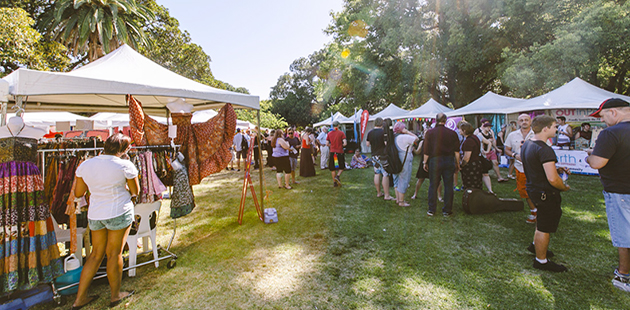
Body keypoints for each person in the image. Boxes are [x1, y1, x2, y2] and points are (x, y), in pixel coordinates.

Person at [71, 134, 140, 309]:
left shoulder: (86, 165)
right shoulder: (125, 165)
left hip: (96, 214)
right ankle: (115, 295)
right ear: (124, 150)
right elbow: (135, 191)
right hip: (118, 210)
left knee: (95, 255)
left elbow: (78, 193)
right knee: (114, 253)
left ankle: (80, 299)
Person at [586, 98, 630, 291]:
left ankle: (623, 275)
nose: (603, 121)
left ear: (613, 113)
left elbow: (596, 162)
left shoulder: (611, 133)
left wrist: (589, 155)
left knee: (624, 235)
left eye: (603, 116)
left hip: (620, 191)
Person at [521, 115, 570, 272]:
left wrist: (556, 169)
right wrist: (563, 187)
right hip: (545, 193)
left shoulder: (528, 144)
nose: (557, 129)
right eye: (555, 126)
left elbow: (537, 166)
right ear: (545, 129)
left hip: (534, 189)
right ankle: (541, 260)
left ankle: (536, 246)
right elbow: (553, 179)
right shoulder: (545, 149)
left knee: (541, 221)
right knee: (544, 226)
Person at [423, 113, 460, 216]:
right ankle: (447, 210)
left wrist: (424, 162)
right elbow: (457, 151)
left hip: (435, 160)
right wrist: (457, 163)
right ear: (445, 120)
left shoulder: (430, 133)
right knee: (448, 185)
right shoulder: (452, 133)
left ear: (436, 120)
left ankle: (431, 209)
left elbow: (426, 150)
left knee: (433, 185)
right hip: (448, 160)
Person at [504, 114, 538, 224]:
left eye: (526, 120)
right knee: (525, 191)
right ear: (518, 122)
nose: (524, 122)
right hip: (520, 168)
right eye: (521, 120)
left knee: (538, 190)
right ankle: (534, 212)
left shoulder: (537, 134)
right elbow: (507, 149)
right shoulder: (512, 135)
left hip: (536, 168)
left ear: (530, 121)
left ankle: (541, 212)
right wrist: (514, 155)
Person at [366, 117, 394, 200]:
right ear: (382, 123)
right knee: (385, 174)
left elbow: (367, 144)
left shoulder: (370, 132)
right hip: (383, 155)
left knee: (377, 173)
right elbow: (386, 143)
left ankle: (379, 193)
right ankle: (387, 195)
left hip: (374, 155)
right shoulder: (383, 132)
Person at [392, 122, 418, 207]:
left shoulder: (394, 137)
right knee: (404, 178)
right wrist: (407, 132)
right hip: (404, 160)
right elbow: (416, 138)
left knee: (398, 179)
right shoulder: (404, 137)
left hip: (396, 160)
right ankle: (401, 201)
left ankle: (398, 199)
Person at [458, 121, 483, 189]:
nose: (459, 130)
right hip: (477, 163)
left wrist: (462, 165)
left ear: (464, 130)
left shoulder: (468, 141)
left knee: (471, 184)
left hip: (471, 165)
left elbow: (467, 157)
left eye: (460, 129)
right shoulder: (474, 137)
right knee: (477, 183)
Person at [327, 121, 347, 187]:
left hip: (333, 152)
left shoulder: (329, 133)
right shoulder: (341, 133)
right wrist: (341, 144)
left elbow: (327, 144)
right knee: (341, 166)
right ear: (338, 125)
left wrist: (332, 145)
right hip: (339, 152)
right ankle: (337, 176)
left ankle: (334, 183)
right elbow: (345, 143)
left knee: (333, 168)